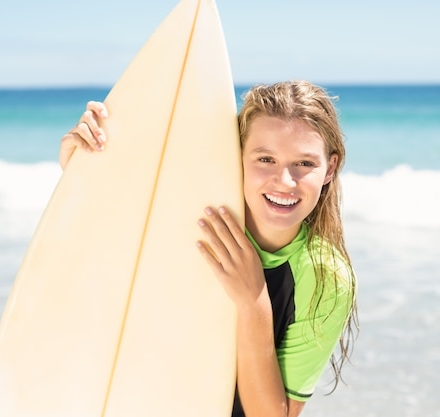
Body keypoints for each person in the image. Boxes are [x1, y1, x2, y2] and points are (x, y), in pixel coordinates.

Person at [60, 80, 358, 417]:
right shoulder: (191, 213)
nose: (284, 181)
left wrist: (254, 303)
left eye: (304, 164)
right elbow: (103, 263)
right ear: (238, 155)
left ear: (330, 168)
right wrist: (81, 172)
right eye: (265, 158)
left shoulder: (324, 277)